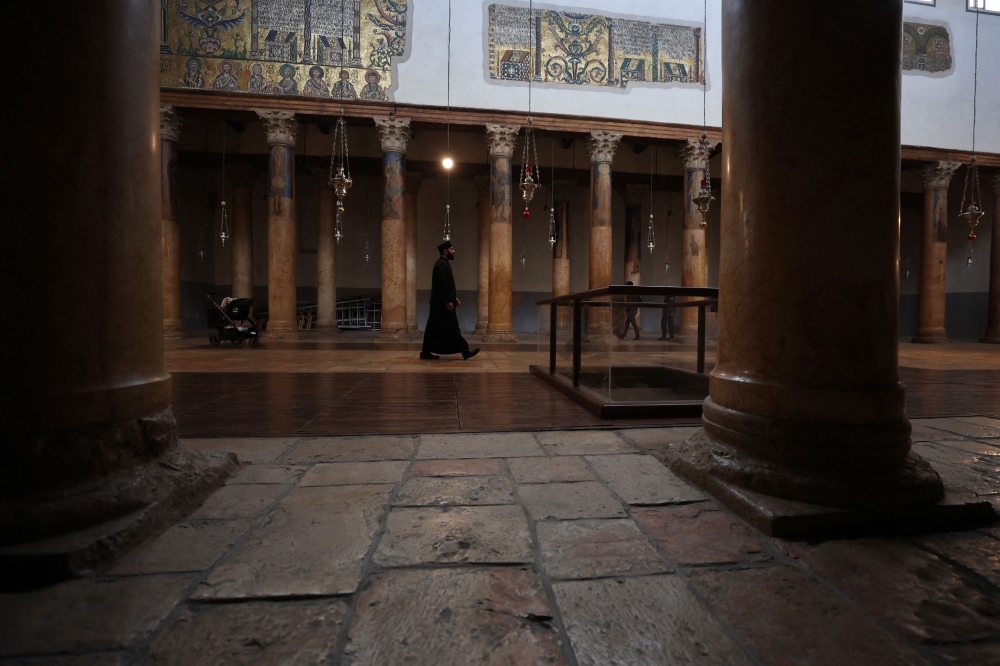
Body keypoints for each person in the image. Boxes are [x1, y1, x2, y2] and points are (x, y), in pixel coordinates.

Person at [421, 241, 480, 361]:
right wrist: (448, 301)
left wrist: (453, 298)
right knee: (453, 328)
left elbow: (447, 285)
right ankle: (465, 351)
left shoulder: (443, 263)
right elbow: (443, 285)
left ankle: (425, 352)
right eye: (452, 249)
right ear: (445, 251)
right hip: (442, 305)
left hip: (440, 303)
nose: (454, 251)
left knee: (432, 329)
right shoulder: (442, 265)